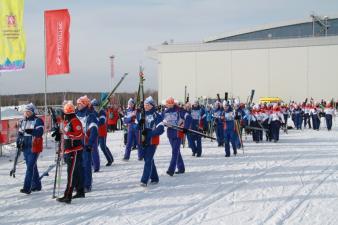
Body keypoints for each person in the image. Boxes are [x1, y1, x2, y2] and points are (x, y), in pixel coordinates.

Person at [56, 102, 85, 203]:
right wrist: (61, 148)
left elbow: (80, 135)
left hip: (74, 150)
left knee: (71, 173)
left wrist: (67, 134)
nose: (63, 115)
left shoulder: (75, 121)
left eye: (64, 113)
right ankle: (80, 190)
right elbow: (64, 136)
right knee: (75, 172)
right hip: (69, 150)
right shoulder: (67, 121)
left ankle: (67, 195)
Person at [17, 103, 44, 194]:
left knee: (30, 167)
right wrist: (18, 142)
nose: (27, 113)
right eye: (26, 112)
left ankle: (27, 187)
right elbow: (20, 134)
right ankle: (37, 185)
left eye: (29, 111)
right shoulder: (22, 121)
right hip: (25, 147)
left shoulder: (38, 120)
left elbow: (40, 132)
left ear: (32, 112)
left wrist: (32, 131)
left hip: (34, 147)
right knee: (32, 167)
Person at [139, 96, 165, 187]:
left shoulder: (157, 116)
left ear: (151, 105)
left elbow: (161, 129)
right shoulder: (143, 114)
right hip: (144, 140)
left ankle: (144, 180)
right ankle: (154, 177)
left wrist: (149, 133)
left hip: (152, 140)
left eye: (147, 105)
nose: (145, 106)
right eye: (144, 104)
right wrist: (139, 125)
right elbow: (138, 127)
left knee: (148, 159)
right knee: (148, 159)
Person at [162, 97, 191, 176]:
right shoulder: (165, 111)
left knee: (174, 152)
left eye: (170, 104)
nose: (169, 105)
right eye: (168, 104)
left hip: (178, 133)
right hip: (170, 133)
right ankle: (181, 168)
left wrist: (186, 128)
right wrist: (164, 123)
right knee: (176, 151)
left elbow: (188, 117)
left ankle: (171, 169)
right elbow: (161, 121)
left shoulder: (179, 110)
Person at [76, 95, 98, 192]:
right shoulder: (75, 114)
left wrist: (90, 143)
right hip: (75, 143)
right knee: (77, 165)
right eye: (77, 104)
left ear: (84, 104)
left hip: (85, 142)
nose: (78, 105)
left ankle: (87, 184)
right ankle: (78, 184)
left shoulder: (90, 115)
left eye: (80, 104)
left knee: (86, 164)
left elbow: (94, 130)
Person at [92, 99, 114, 166]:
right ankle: (93, 161)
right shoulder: (92, 112)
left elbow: (101, 121)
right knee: (94, 147)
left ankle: (110, 159)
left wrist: (95, 117)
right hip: (95, 132)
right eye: (94, 107)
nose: (96, 108)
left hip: (102, 132)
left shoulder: (102, 112)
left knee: (103, 147)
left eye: (97, 106)